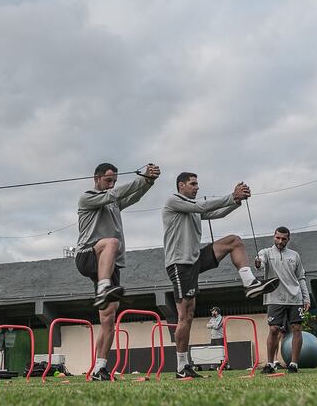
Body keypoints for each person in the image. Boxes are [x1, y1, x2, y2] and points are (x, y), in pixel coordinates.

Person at [163, 172, 279, 379]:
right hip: (179, 264)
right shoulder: (174, 201)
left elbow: (217, 213)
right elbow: (201, 207)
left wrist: (236, 200)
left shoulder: (192, 208)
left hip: (195, 258)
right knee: (185, 315)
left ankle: (250, 282)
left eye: (197, 184)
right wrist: (231, 194)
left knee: (234, 241)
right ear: (181, 185)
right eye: (193, 184)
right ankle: (182, 367)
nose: (197, 187)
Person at [76, 162, 161, 381]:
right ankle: (105, 288)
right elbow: (115, 194)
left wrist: (149, 181)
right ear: (96, 178)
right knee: (112, 242)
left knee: (108, 317)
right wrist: (141, 179)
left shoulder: (113, 202)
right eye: (108, 180)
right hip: (88, 255)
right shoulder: (88, 197)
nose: (111, 184)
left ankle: (100, 368)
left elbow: (134, 196)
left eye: (114, 181)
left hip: (109, 263)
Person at [255, 227, 310, 374]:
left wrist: (306, 297)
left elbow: (301, 277)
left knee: (297, 329)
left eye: (283, 239)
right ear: (274, 237)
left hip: (295, 297)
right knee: (274, 329)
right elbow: (261, 263)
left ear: (288, 239)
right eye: (278, 238)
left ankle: (293, 364)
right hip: (274, 297)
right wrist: (258, 263)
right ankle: (270, 364)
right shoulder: (265, 252)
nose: (280, 241)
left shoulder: (295, 255)